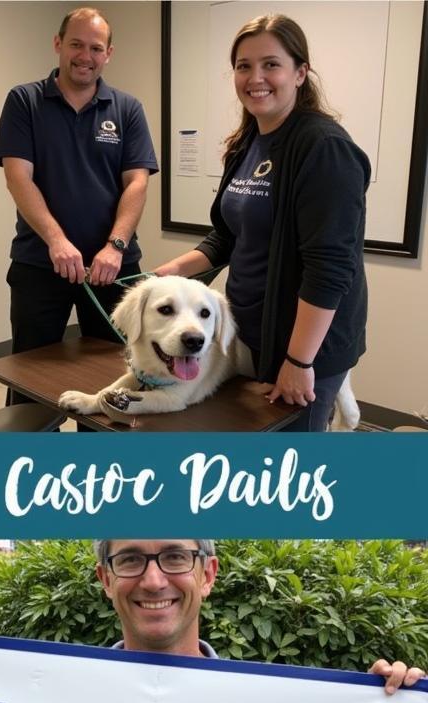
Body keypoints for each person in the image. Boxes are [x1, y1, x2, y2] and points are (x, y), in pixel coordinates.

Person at [152, 15, 370, 432]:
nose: (256, 78)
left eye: (271, 64)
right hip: (251, 334)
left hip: (305, 348)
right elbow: (229, 235)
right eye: (243, 66)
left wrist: (298, 360)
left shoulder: (324, 148)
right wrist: (169, 273)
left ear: (300, 72)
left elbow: (329, 269)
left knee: (291, 469)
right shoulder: (248, 142)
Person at [0, 539, 425, 693]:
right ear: (106, 580)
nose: (154, 580)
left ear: (207, 573)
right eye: (130, 560)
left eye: (176, 557)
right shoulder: (56, 695)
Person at [0, 6, 158, 398]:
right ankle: (30, 456)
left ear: (109, 54)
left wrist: (115, 246)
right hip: (40, 262)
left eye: (96, 48)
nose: (86, 56)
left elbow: (137, 181)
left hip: (113, 267)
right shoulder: (25, 101)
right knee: (31, 378)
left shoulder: (127, 109)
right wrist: (57, 240)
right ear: (58, 45)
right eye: (76, 45)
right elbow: (18, 177)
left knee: (117, 374)